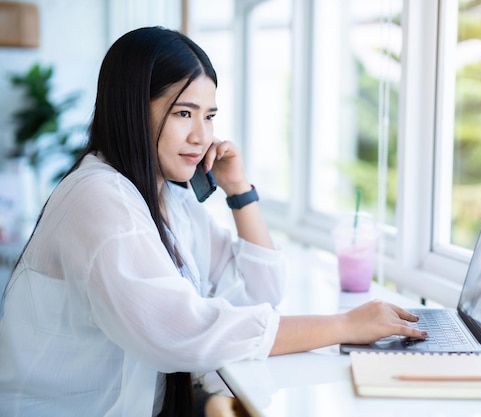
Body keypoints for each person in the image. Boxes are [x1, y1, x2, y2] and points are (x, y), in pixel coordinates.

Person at [0, 26, 426, 417]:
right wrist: (344, 326)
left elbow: (261, 293)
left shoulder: (168, 198)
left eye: (209, 116)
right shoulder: (100, 198)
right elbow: (181, 331)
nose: (202, 136)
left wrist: (239, 190)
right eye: (184, 113)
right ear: (132, 108)